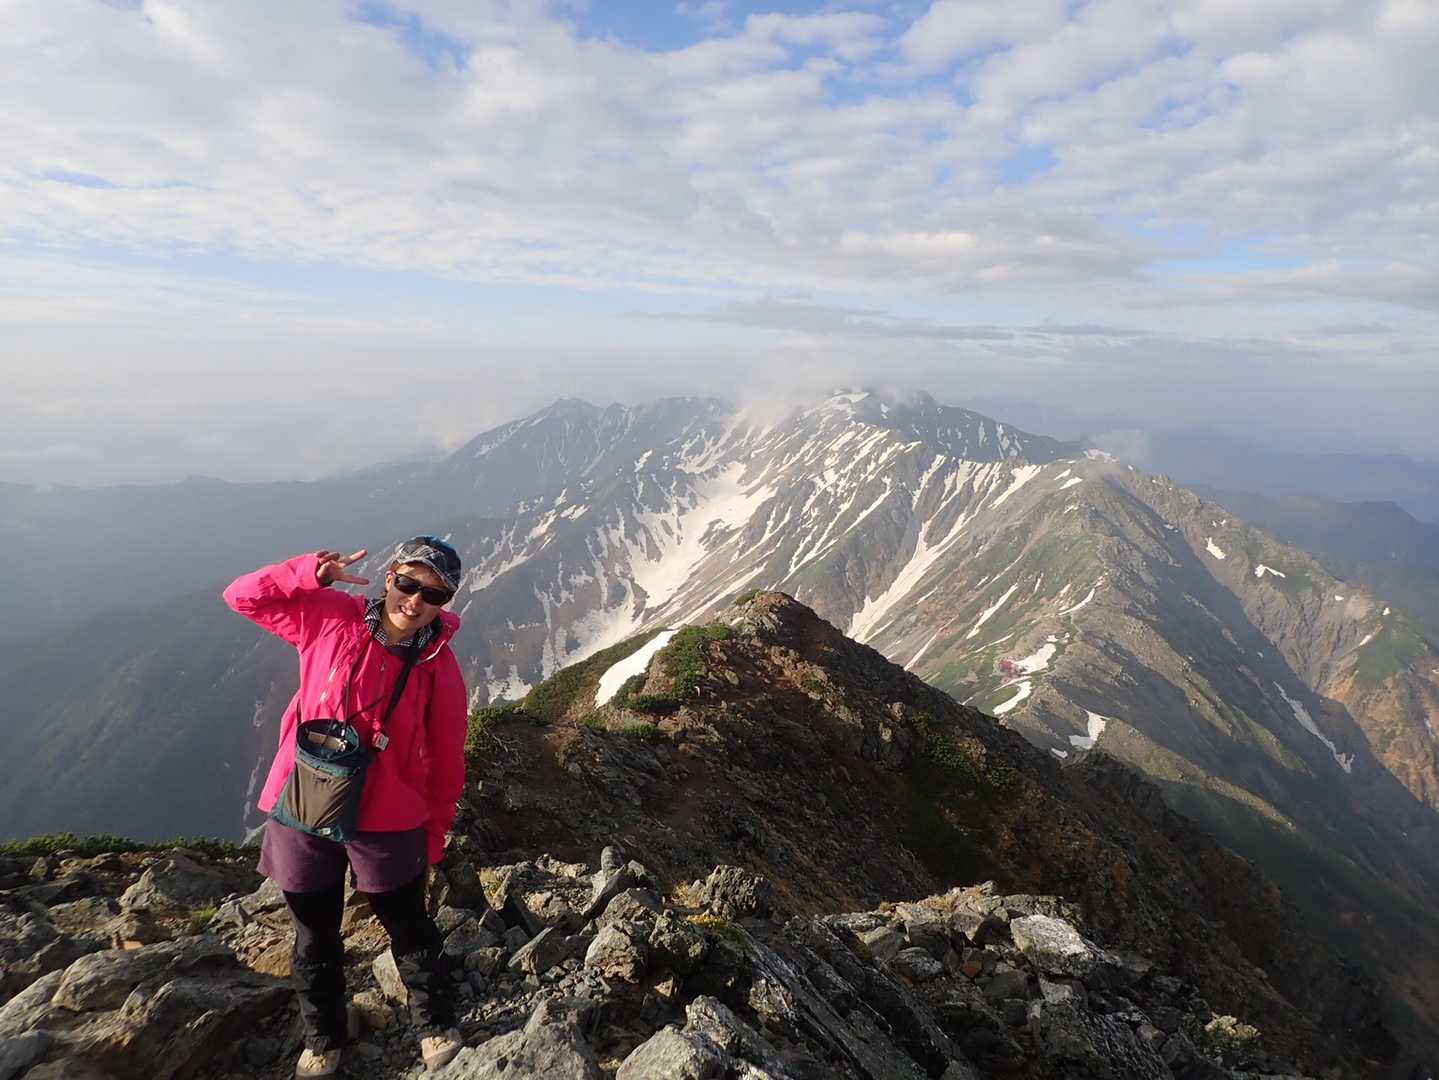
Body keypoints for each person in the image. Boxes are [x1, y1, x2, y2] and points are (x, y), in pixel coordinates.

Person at [223, 537, 469, 1078]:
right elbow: (241, 596)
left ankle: (434, 1022)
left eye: (433, 594)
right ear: (390, 577)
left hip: (389, 814)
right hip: (305, 800)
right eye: (408, 583)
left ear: (444, 602)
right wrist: (306, 573)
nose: (415, 600)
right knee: (314, 932)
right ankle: (323, 1037)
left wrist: (434, 834)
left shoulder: (438, 666)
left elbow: (447, 758)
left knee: (407, 924)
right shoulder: (330, 616)